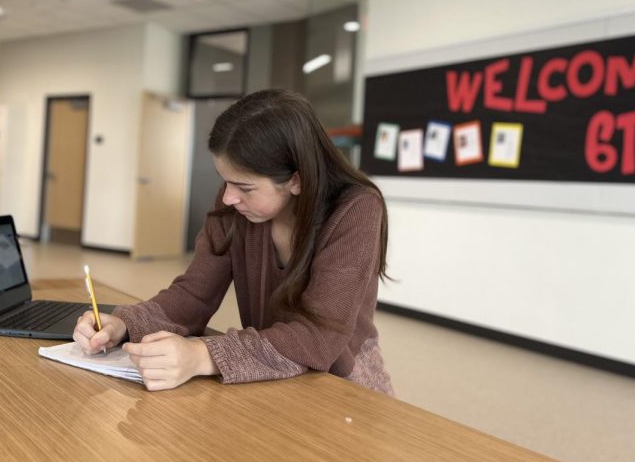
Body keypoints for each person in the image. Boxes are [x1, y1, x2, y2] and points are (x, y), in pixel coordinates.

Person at [73, 88, 394, 395]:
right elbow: (194, 293)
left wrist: (202, 355)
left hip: (339, 385)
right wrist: (123, 324)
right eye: (225, 181)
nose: (228, 197)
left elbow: (320, 337)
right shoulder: (236, 202)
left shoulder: (356, 208)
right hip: (267, 376)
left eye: (245, 187)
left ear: (296, 180)